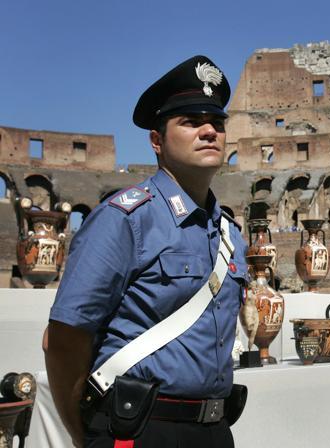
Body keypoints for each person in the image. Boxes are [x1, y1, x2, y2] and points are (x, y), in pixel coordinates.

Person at [44, 55, 248, 448]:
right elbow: (64, 339)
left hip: (214, 431)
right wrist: (83, 434)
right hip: (138, 430)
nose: (209, 131)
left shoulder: (229, 233)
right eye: (190, 122)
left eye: (217, 123)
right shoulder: (125, 219)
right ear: (157, 141)